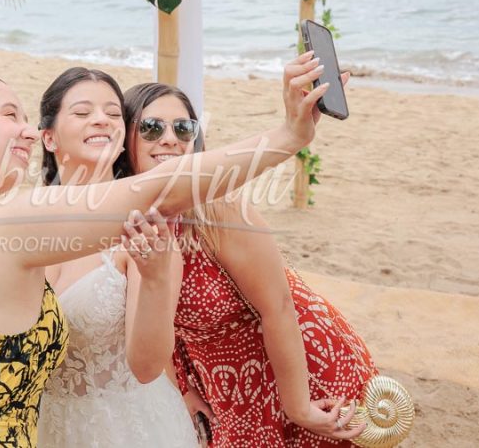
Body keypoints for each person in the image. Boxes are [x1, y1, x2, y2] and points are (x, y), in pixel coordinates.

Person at [0, 51, 328, 447]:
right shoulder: (3, 222)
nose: (23, 128)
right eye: (10, 114)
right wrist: (287, 135)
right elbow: (163, 186)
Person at [120, 78, 376, 447]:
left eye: (183, 127)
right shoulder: (128, 221)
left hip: (299, 370)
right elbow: (158, 320)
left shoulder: (217, 213)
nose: (170, 138)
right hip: (225, 383)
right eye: (150, 127)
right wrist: (185, 388)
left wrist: (298, 407)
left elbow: (279, 307)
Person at [34, 68, 197, 446]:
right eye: (82, 112)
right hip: (43, 424)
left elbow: (145, 366)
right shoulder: (26, 221)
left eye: (111, 112)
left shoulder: (142, 228)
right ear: (48, 137)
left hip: (126, 429)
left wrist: (156, 277)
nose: (101, 120)